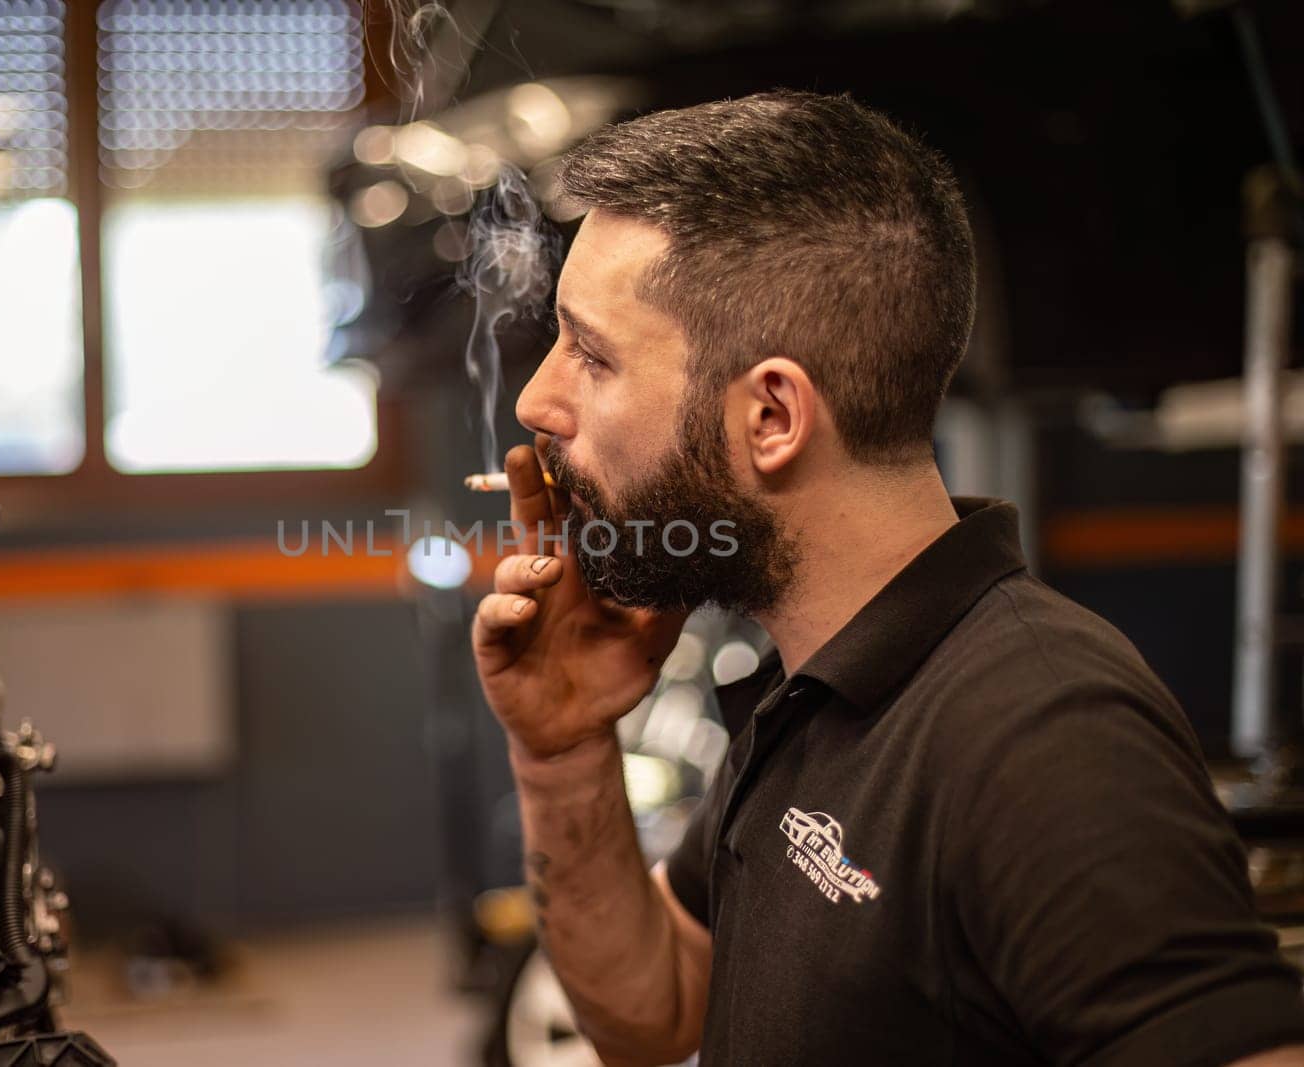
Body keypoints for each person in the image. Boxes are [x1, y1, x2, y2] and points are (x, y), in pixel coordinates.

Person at [470, 90, 1304, 1066]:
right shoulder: (806, 690)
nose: (537, 398)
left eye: (592, 355)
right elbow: (653, 1009)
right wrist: (562, 752)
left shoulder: (1046, 737)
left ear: (771, 416)